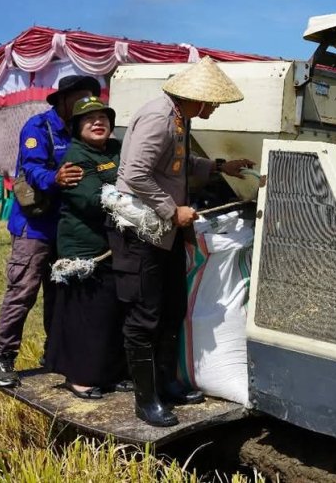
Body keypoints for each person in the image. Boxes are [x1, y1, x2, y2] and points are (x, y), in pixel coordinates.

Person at [108, 57, 253, 427]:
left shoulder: (178, 118)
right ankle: (146, 400)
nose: (216, 108)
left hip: (166, 235)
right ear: (199, 98)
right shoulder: (159, 118)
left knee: (172, 308)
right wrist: (173, 210)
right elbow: (135, 174)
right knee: (145, 315)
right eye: (214, 102)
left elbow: (179, 165)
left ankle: (167, 382)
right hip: (144, 234)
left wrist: (220, 167)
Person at [0, 75, 100, 388]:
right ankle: (2, 359)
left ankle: (54, 355)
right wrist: (55, 177)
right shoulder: (38, 127)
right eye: (78, 100)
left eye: (88, 101)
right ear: (63, 100)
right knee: (22, 292)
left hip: (66, 229)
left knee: (59, 294)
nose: (84, 107)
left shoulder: (83, 130)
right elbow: (32, 169)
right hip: (33, 228)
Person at [46, 96, 127, 399]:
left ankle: (109, 372)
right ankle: (79, 377)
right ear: (77, 127)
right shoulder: (76, 157)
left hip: (112, 246)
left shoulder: (116, 150)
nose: (98, 122)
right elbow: (94, 200)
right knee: (86, 314)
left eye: (103, 118)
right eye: (89, 119)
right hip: (85, 250)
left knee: (110, 312)